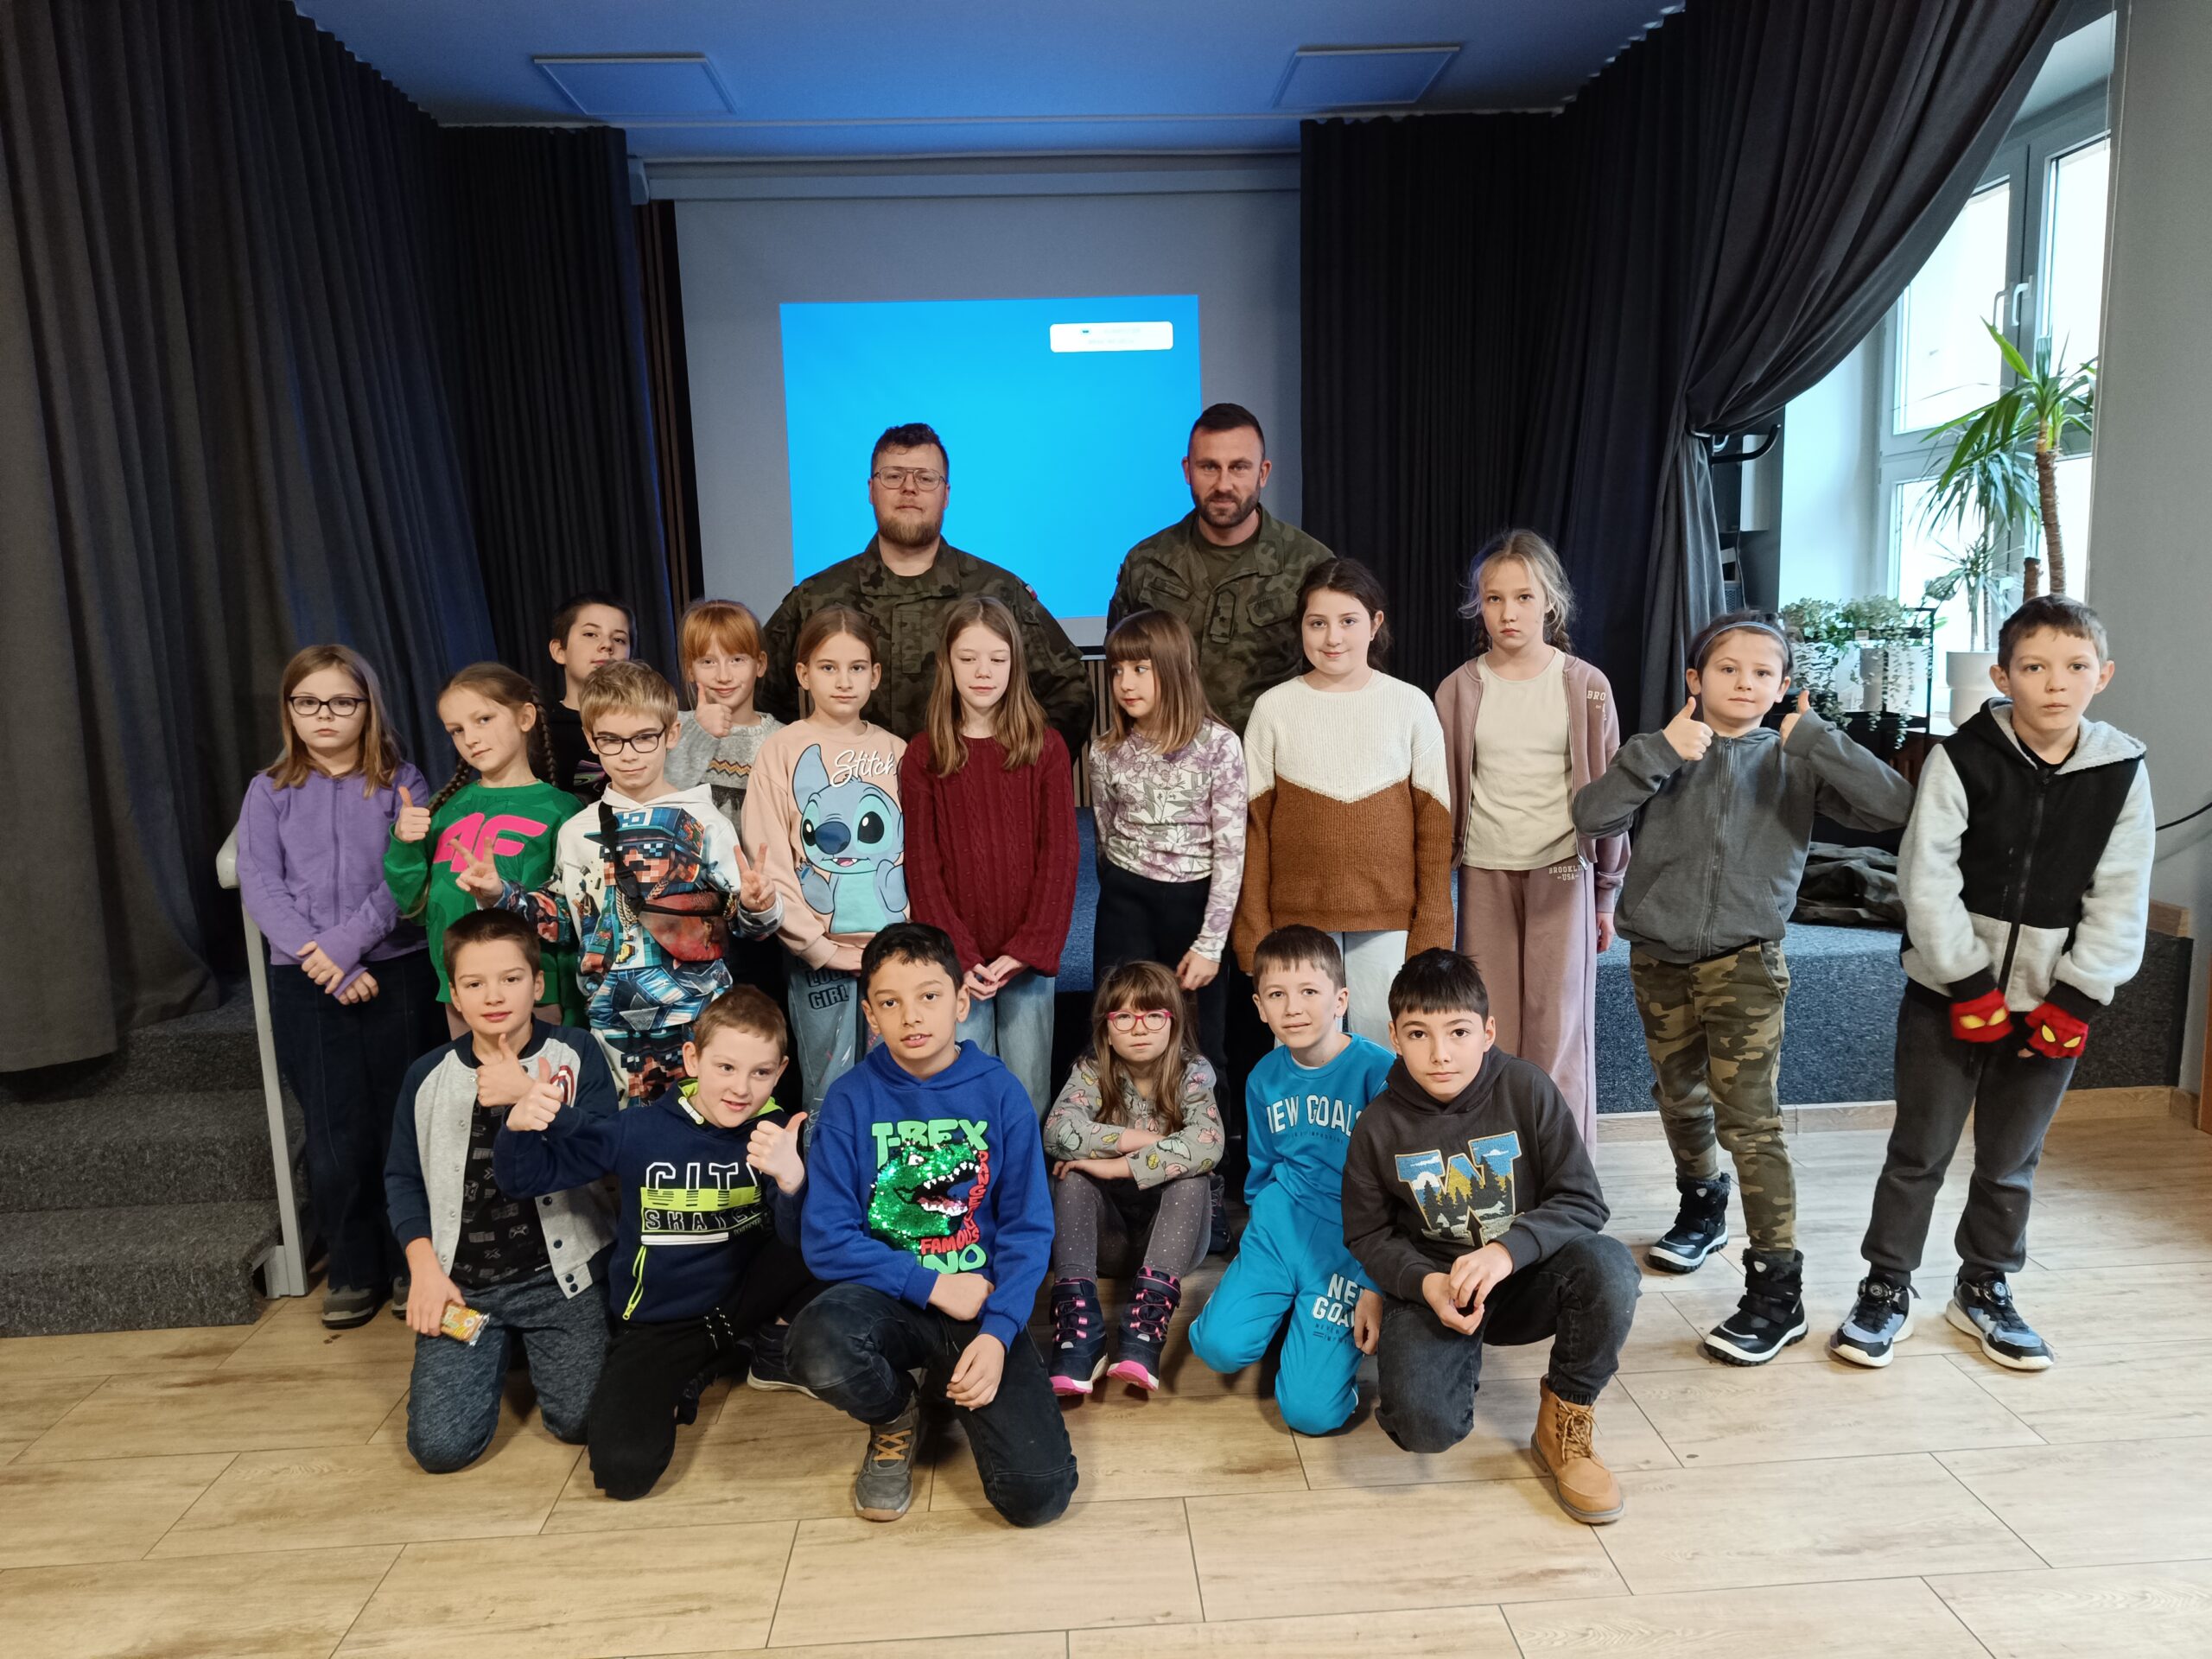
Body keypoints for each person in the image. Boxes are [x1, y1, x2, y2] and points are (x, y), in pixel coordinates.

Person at [1573, 610, 1915, 1365]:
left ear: (1783, 686)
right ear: (1695, 679)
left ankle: (1776, 1289)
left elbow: (1895, 807)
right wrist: (1660, 753)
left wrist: (1818, 739)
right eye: (1728, 669)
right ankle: (1702, 1204)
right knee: (1678, 1096)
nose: (1745, 683)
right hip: (1659, 956)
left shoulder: (1795, 759)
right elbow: (1590, 818)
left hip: (1747, 963)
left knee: (1751, 1122)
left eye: (1763, 672)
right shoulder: (1663, 750)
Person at [1832, 597, 2152, 1373]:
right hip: (1946, 997)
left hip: (2052, 1004)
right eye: (2034, 667)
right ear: (2003, 677)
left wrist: (2076, 999)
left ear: (2103, 675)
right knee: (1919, 1149)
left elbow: (2121, 895)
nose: (2056, 683)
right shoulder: (1962, 757)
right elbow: (1927, 875)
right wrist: (1968, 983)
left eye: (2075, 667)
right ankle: (1886, 1285)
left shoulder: (2121, 773)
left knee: (2011, 1160)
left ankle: (1984, 1285)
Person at [786, 923, 1075, 1528]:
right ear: (870, 1015)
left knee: (1038, 1497)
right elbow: (827, 1238)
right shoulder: (848, 1100)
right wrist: (932, 1285)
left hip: (978, 1305)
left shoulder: (1002, 1093)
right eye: (890, 1002)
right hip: (890, 1300)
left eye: (929, 996)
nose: (911, 1016)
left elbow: (1028, 1229)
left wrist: (998, 1335)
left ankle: (957, 1376)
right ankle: (897, 1413)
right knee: (816, 1344)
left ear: (961, 1002)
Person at [1341, 949, 1638, 1524]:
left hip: (1527, 1279)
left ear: (1488, 1032)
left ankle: (1566, 1416)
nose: (1441, 1053)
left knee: (1609, 1268)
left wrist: (1507, 1251)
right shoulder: (1377, 1126)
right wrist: (1423, 1284)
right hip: (1437, 1290)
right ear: (1395, 1038)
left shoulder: (1526, 1088)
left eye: (1458, 1032)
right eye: (1419, 1034)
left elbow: (1583, 1201)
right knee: (1423, 1429)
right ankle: (1452, 1363)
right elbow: (1368, 1233)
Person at [495, 984, 819, 1499]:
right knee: (623, 1473)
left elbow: (802, 1242)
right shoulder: (638, 1131)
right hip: (661, 1326)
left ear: (780, 1072)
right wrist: (517, 1127)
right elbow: (523, 1179)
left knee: (836, 1232)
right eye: (726, 1067)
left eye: (760, 1073)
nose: (741, 1088)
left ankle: (763, 1345)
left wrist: (793, 1181)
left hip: (740, 1299)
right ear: (692, 1059)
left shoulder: (778, 1129)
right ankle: (704, 1365)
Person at [456, 661, 782, 1103]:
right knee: (627, 1136)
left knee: (706, 1125)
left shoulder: (706, 822)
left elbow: (748, 927)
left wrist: (759, 905)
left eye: (644, 737)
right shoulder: (577, 831)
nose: (629, 754)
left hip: (701, 1020)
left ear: (671, 733)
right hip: (613, 1025)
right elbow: (565, 921)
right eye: (611, 740)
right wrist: (500, 894)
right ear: (592, 741)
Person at [234, 644, 442, 1328]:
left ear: (366, 707)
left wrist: (347, 948)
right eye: (308, 702)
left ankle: (411, 1262)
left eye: (341, 702)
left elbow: (403, 879)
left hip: (396, 968)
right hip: (306, 978)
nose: (324, 715)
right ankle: (353, 1268)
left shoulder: (402, 781)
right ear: (289, 710)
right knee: (332, 1128)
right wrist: (323, 961)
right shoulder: (269, 790)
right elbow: (260, 883)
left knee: (398, 1122)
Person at [385, 909, 617, 1473]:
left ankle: (537, 1344)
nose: (493, 996)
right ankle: (499, 1344)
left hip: (560, 1279)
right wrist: (424, 1269)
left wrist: (529, 1096)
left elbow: (602, 1152)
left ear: (537, 985)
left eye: (510, 979)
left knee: (585, 1422)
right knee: (440, 1449)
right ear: (455, 996)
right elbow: (403, 1179)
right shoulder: (426, 1076)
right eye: (474, 984)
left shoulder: (576, 1053)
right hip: (465, 1285)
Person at [1433, 531, 1626, 1143]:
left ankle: (1565, 1171)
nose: (1508, 612)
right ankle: (1502, 1165)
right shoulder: (1457, 689)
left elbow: (1612, 795)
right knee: (1488, 1026)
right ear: (1478, 606)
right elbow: (1441, 798)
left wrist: (1606, 894)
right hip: (1485, 873)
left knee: (1557, 1030)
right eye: (1494, 599)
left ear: (1551, 602)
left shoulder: (1586, 685)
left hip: (1562, 872)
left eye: (1523, 597)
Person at [758, 423, 1091, 758]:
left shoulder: (998, 592)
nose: (909, 488)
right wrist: (804, 765)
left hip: (966, 787)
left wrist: (1018, 771)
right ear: (871, 490)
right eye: (893, 476)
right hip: (848, 789)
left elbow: (1070, 693)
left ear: (945, 495)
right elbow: (756, 696)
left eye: (926, 478)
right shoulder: (817, 598)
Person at [1234, 558, 1454, 1041]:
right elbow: (1252, 833)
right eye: (1317, 623)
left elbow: (1435, 830)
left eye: (1348, 621)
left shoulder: (1410, 705)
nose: (1332, 637)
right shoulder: (1273, 709)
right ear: (1301, 627)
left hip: (1389, 919)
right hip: (1295, 923)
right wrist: (1254, 931)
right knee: (1303, 1045)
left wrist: (1434, 924)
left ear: (1375, 624)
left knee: (1388, 1045)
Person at [1185, 927, 1394, 1435]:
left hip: (1350, 1243)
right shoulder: (1262, 1077)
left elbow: (1398, 1190)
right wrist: (1263, 1227)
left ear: (1340, 999)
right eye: (1277, 994)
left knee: (1310, 1414)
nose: (1293, 1008)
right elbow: (1261, 1166)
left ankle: (1316, 1342)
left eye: (1309, 992)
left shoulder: (1380, 1072)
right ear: (1260, 1007)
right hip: (1281, 1231)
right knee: (1216, 1346)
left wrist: (1374, 1282)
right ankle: (1276, 1307)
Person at [899, 596, 1077, 1114]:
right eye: (968, 658)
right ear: (946, 664)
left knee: (1027, 1096)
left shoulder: (1045, 748)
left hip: (1026, 964)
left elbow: (1060, 859)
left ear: (1014, 664)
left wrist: (1025, 950)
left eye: (997, 659)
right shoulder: (925, 753)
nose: (983, 672)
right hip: (958, 966)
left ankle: (1025, 1173)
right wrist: (961, 957)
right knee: (963, 1099)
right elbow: (923, 868)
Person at [745, 607, 909, 1111]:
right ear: (803, 674)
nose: (843, 681)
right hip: (818, 959)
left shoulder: (898, 751)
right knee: (829, 1088)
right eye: (828, 667)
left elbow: (919, 855)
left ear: (875, 675)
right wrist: (819, 948)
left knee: (898, 1085)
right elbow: (771, 859)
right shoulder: (781, 750)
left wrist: (908, 943)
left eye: (856, 668)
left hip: (894, 957)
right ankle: (827, 1166)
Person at [1042, 962, 1224, 1396]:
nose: (1139, 1028)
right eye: (1124, 1016)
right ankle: (1079, 1330)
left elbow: (1209, 1144)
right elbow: (1057, 1131)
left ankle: (1144, 1330)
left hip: (1174, 1243)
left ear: (1173, 1024)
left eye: (1153, 1016)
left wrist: (1116, 1165)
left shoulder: (1193, 1071)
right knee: (1072, 1176)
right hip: (1107, 1241)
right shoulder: (1091, 1070)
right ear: (1106, 1030)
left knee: (1192, 1177)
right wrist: (1138, 1140)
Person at [1087, 608, 1246, 1103]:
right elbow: (1104, 832)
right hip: (1126, 902)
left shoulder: (1219, 745)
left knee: (1200, 1038)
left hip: (1195, 904)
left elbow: (1231, 851)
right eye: (1117, 670)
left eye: (1140, 668)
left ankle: (1209, 1145)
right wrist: (1124, 885)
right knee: (1121, 1027)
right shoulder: (1106, 750)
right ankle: (1122, 1137)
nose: (1125, 683)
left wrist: (1210, 944)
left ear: (1174, 668)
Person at [1109, 403, 1333, 736]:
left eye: (1239, 467)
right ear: (1188, 470)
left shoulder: (1310, 563)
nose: (1224, 484)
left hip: (1272, 757)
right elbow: (1122, 662)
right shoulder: (1146, 562)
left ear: (1263, 472)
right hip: (1169, 756)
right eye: (1209, 467)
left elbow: (1336, 675)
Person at [386, 663, 582, 1035]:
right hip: (462, 990)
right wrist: (404, 844)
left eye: (484, 720)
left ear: (525, 717)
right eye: (457, 730)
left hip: (535, 992)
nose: (470, 738)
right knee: (474, 1072)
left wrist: (569, 1007)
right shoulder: (446, 808)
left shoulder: (562, 810)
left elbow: (573, 916)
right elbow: (415, 906)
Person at [665, 598, 782, 836]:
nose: (724, 676)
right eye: (708, 662)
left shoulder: (783, 739)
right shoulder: (672, 728)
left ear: (760, 664)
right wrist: (698, 733)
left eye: (737, 660)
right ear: (689, 669)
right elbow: (662, 803)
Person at [542, 592, 634, 804]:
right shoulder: (539, 729)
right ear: (559, 650)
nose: (607, 645)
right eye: (591, 634)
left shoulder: (649, 723)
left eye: (619, 639)